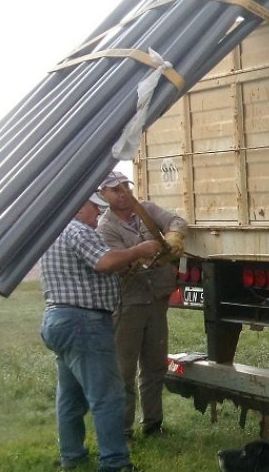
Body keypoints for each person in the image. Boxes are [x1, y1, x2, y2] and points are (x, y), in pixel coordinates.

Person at [40, 193, 161, 471]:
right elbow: (103, 262)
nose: (98, 216)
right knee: (108, 396)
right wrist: (139, 250)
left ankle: (72, 456)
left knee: (70, 396)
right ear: (79, 206)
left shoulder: (52, 232)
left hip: (58, 319)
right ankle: (115, 463)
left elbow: (91, 270)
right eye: (95, 209)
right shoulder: (78, 230)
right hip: (85, 323)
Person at [97, 171, 187, 439]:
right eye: (115, 189)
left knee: (154, 366)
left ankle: (153, 425)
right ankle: (122, 432)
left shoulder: (146, 209)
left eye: (126, 186)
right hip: (128, 305)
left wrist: (173, 236)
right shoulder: (105, 227)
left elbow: (176, 220)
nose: (123, 192)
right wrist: (141, 252)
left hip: (156, 300)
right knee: (123, 372)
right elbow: (115, 265)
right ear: (104, 194)